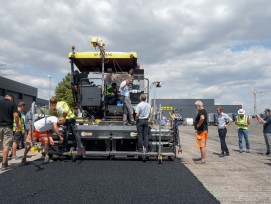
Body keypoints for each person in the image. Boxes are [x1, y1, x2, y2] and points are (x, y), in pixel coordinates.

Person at [0, 94, 21, 171]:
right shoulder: (12, 104)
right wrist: (19, 127)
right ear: (11, 98)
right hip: (7, 127)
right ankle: (4, 165)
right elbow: (16, 116)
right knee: (6, 145)